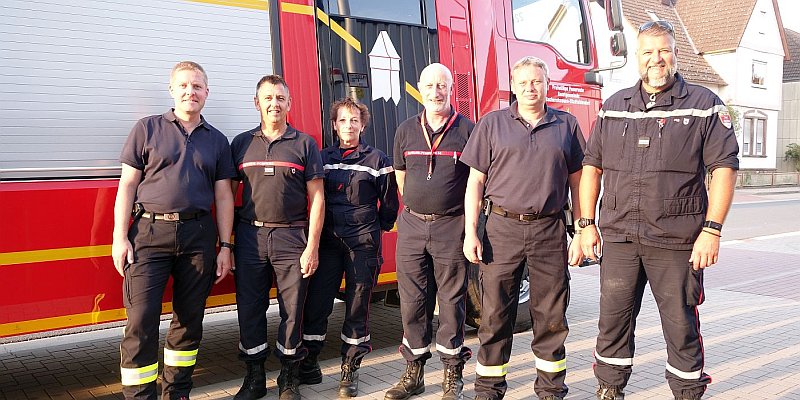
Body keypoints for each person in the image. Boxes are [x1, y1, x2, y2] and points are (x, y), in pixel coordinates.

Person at [579, 20, 739, 400]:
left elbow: (724, 169)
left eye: (664, 50)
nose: (656, 59)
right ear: (637, 57)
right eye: (648, 52)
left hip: (677, 241)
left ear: (676, 54)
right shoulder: (615, 106)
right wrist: (586, 224)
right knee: (612, 324)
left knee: (681, 326)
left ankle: (686, 393)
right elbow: (591, 167)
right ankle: (609, 389)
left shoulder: (703, 105)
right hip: (619, 239)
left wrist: (712, 230)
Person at [461, 56, 585, 400]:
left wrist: (582, 229)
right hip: (500, 230)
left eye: (537, 81)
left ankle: (551, 390)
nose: (530, 88)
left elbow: (579, 183)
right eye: (523, 82)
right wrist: (471, 231)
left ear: (547, 85)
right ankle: (488, 390)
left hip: (549, 230)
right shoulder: (491, 124)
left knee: (551, 316)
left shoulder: (567, 125)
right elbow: (475, 182)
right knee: (494, 314)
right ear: (512, 86)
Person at [112, 61, 236, 400]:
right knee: (140, 321)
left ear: (206, 93)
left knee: (189, 320)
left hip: (198, 237)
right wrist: (119, 237)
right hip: (148, 235)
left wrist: (225, 246)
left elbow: (224, 195)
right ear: (171, 90)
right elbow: (127, 185)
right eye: (183, 85)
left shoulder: (217, 141)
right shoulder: (146, 129)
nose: (190, 92)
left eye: (197, 86)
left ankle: (177, 392)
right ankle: (140, 396)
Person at [230, 75, 325, 400]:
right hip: (249, 236)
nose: (274, 104)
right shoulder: (241, 143)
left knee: (293, 309)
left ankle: (289, 378)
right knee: (250, 307)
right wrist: (226, 244)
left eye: (280, 98)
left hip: (291, 238)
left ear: (289, 104)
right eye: (268, 98)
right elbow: (228, 196)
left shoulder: (304, 143)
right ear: (257, 103)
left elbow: (318, 199)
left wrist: (312, 246)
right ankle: (254, 378)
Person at [300, 97, 399, 397]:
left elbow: (390, 204)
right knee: (317, 303)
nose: (349, 125)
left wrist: (373, 228)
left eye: (354, 120)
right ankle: (310, 361)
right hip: (328, 243)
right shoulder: (321, 157)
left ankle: (350, 369)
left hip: (363, 244)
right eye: (343, 120)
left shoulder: (378, 160)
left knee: (357, 307)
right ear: (334, 124)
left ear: (363, 124)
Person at [385, 63, 474, 400]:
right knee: (412, 301)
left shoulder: (468, 130)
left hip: (452, 225)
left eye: (443, 85)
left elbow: (475, 184)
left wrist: (469, 227)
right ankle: (414, 373)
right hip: (412, 225)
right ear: (419, 88)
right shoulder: (406, 130)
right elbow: (402, 177)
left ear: (452, 89)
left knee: (451, 301)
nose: (436, 91)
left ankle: (452, 374)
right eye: (430, 85)